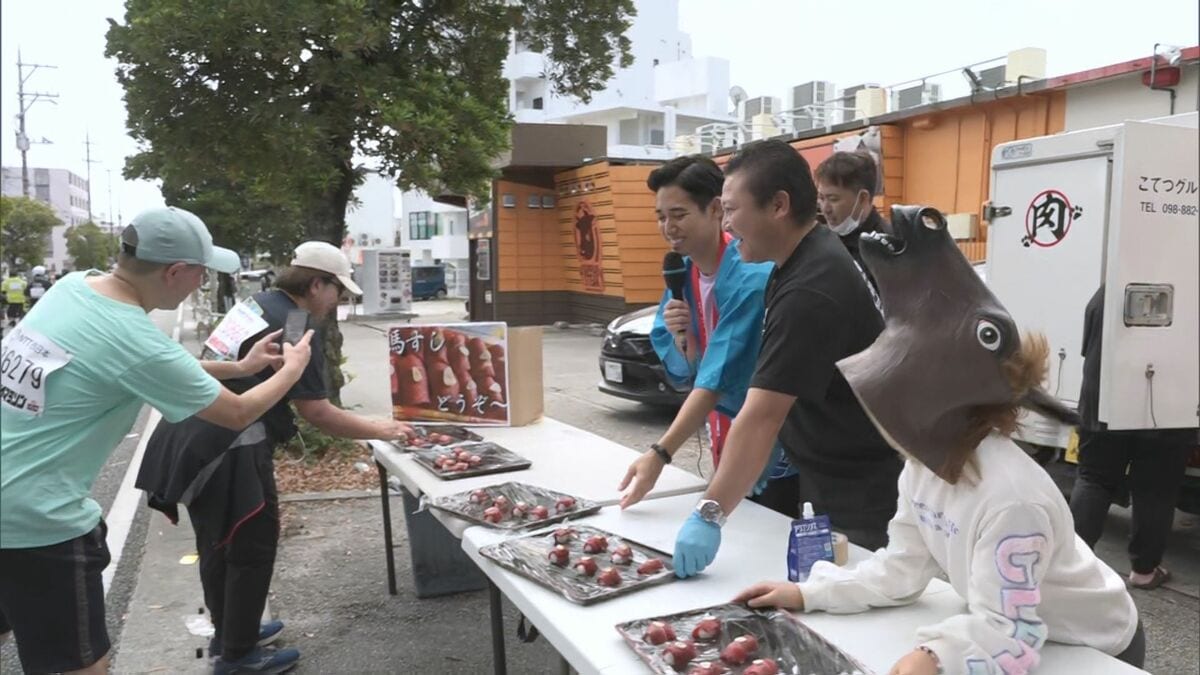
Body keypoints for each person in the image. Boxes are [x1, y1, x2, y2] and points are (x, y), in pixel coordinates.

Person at [735, 205, 1144, 672]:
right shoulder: (923, 467)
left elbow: (1013, 631)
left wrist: (935, 655)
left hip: (1094, 646)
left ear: (929, 410)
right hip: (1029, 628)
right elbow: (902, 567)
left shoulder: (1011, 500)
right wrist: (811, 593)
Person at [0, 207, 314, 675]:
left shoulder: (75, 288)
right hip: (35, 521)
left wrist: (242, 368)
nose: (201, 283)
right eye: (201, 273)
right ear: (175, 272)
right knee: (78, 666)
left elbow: (154, 369)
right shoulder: (129, 334)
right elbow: (236, 412)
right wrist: (291, 371)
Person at [138, 241, 413, 674]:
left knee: (216, 543)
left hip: (187, 435)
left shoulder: (255, 303)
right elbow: (317, 412)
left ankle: (231, 633)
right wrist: (385, 429)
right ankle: (238, 654)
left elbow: (213, 360)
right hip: (229, 446)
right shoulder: (296, 324)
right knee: (250, 545)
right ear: (316, 283)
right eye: (337, 292)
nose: (338, 302)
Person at [670, 140, 902, 579]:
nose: (726, 223)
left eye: (732, 209)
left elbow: (761, 417)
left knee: (849, 624)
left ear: (778, 205)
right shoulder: (799, 261)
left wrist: (709, 514)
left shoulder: (810, 288)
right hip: (826, 478)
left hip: (856, 495)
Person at [616, 155, 798, 517]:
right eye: (661, 217)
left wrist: (661, 452)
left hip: (775, 438)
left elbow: (719, 376)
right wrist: (689, 344)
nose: (669, 227)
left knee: (771, 535)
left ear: (716, 209)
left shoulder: (751, 274)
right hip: (722, 433)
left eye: (679, 215)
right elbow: (687, 370)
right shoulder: (682, 276)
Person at [1069, 285, 1197, 590]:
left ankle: (1071, 567)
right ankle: (1144, 571)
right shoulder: (1186, 285)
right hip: (1165, 403)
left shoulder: (1110, 286)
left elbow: (1087, 346)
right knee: (1154, 489)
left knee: (1094, 479)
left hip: (1103, 398)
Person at [815, 150, 885, 303]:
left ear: (863, 198)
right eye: (821, 198)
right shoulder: (819, 242)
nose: (825, 208)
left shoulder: (887, 250)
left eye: (833, 199)